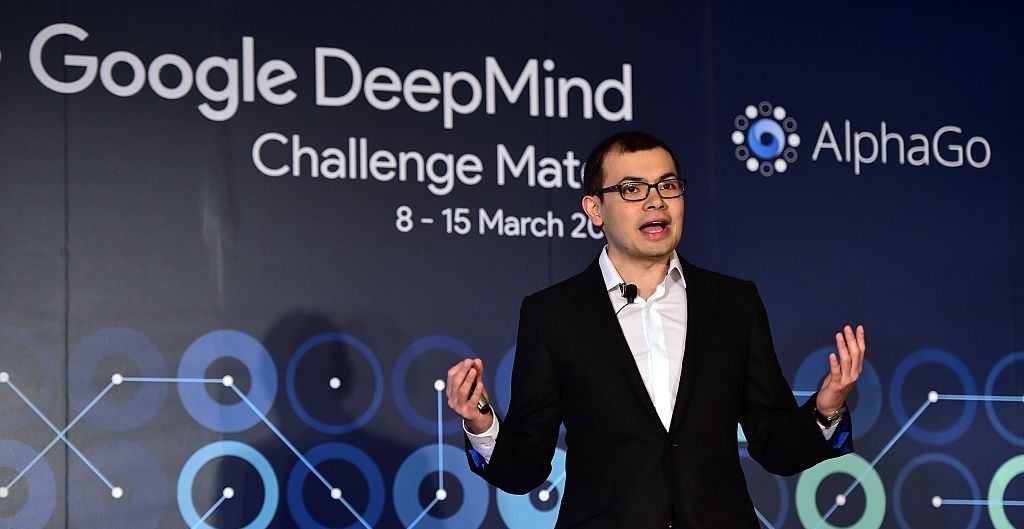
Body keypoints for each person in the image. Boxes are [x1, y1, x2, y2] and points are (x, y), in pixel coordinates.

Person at [445, 131, 864, 528]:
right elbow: (527, 465)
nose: (655, 202)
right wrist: (481, 421)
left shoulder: (733, 303)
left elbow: (773, 445)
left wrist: (825, 408)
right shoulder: (553, 313)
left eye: (667, 186)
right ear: (594, 209)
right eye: (632, 189)